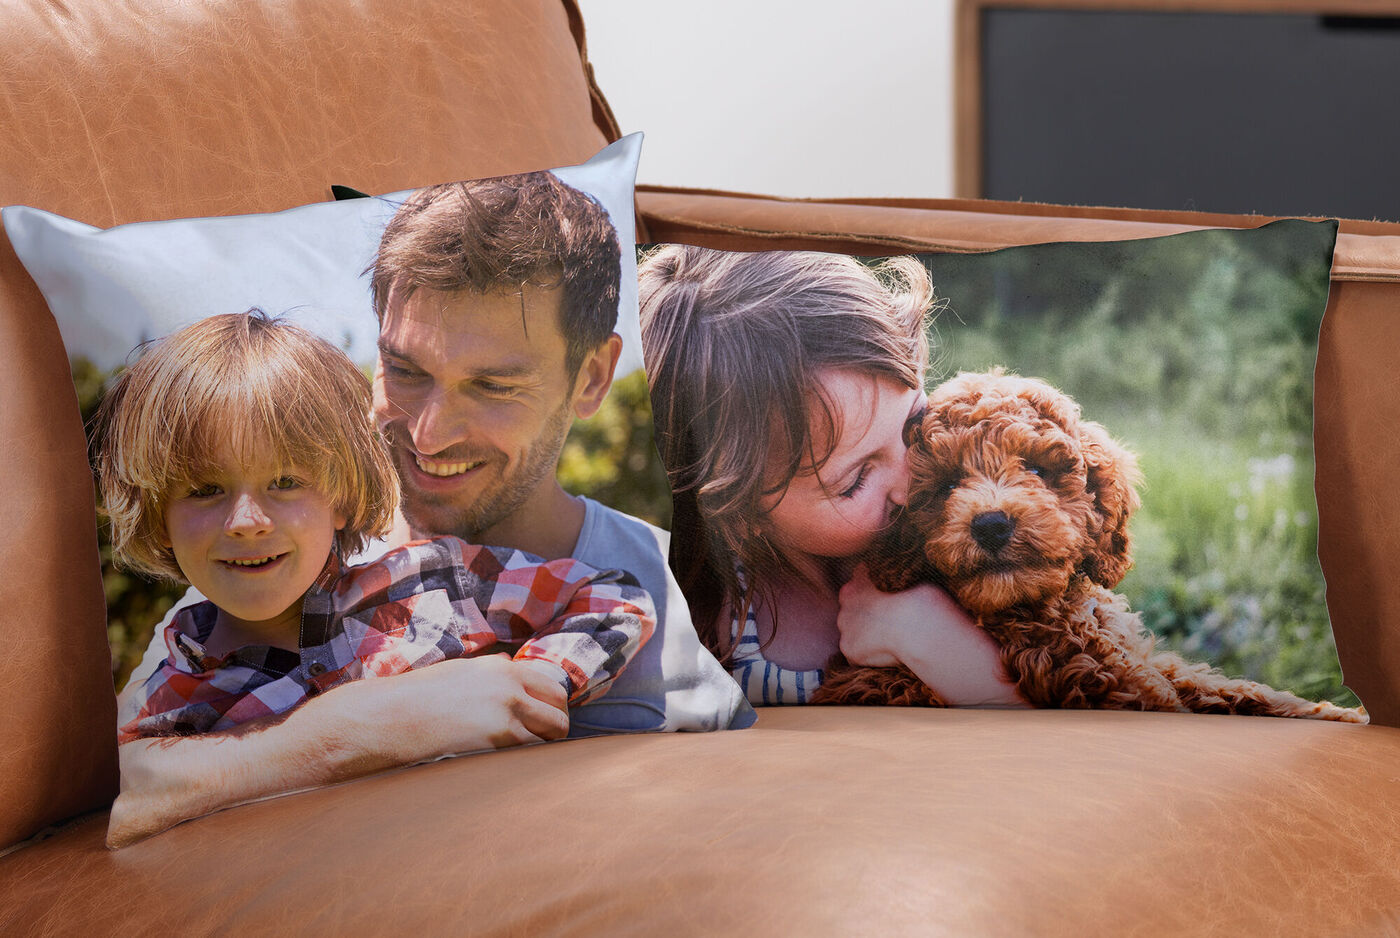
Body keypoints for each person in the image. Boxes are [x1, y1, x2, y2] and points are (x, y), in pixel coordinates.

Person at [110, 171, 740, 847]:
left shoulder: (680, 591)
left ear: (590, 378)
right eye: (405, 370)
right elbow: (122, 796)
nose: (429, 434)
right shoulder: (248, 586)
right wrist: (357, 731)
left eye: (493, 385)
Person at [98, 312, 654, 744]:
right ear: (159, 517)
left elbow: (611, 596)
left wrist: (541, 679)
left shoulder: (432, 585)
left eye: (286, 481)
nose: (246, 522)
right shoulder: (160, 714)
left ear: (339, 498)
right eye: (203, 490)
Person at [638, 244, 1025, 707]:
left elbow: (1060, 734)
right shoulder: (705, 625)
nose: (910, 481)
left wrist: (934, 642)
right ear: (736, 514)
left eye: (914, 424)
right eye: (855, 481)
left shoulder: (972, 545)